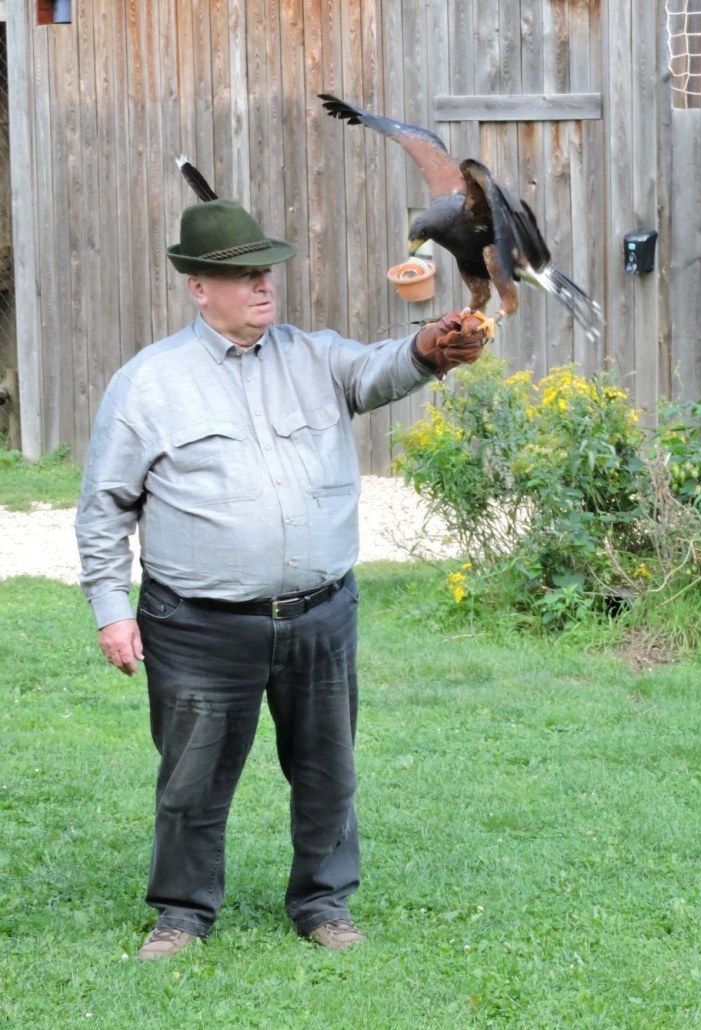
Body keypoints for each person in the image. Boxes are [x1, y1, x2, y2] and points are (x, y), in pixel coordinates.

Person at [75, 198, 486, 960]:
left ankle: (325, 903)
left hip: (320, 615)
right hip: (196, 624)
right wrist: (111, 607)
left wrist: (431, 346)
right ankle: (182, 915)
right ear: (198, 287)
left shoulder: (314, 355)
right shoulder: (148, 385)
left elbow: (379, 368)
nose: (264, 287)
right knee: (192, 779)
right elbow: (105, 507)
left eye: (267, 272)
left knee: (327, 771)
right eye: (242, 276)